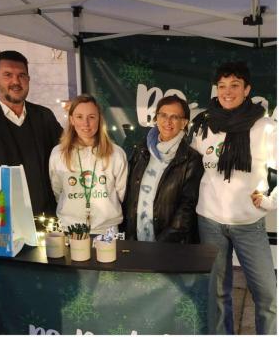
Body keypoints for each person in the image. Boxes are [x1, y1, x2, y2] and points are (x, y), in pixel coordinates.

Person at [190, 61, 276, 334]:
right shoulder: (204, 124)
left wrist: (267, 196)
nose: (228, 92)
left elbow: (276, 168)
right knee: (218, 295)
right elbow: (189, 166)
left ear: (247, 89)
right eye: (222, 86)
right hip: (210, 221)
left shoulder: (265, 127)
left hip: (248, 224)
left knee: (268, 297)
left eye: (235, 86)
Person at [0, 50, 63, 217]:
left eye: (22, 75)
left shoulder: (44, 116)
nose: (16, 81)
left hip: (46, 221)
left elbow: (66, 155)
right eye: (8, 75)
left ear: (28, 79)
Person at [121, 95, 204, 243]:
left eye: (175, 117)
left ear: (184, 122)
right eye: (163, 115)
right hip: (136, 239)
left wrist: (162, 244)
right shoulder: (142, 151)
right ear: (156, 118)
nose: (168, 121)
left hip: (169, 245)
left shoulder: (192, 159)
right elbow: (129, 194)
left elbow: (187, 208)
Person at [48, 94, 127, 234]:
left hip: (107, 230)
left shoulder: (116, 153)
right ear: (71, 119)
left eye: (91, 117)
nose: (86, 123)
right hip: (70, 229)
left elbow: (121, 193)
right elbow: (58, 191)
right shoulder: (58, 154)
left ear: (99, 119)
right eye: (79, 117)